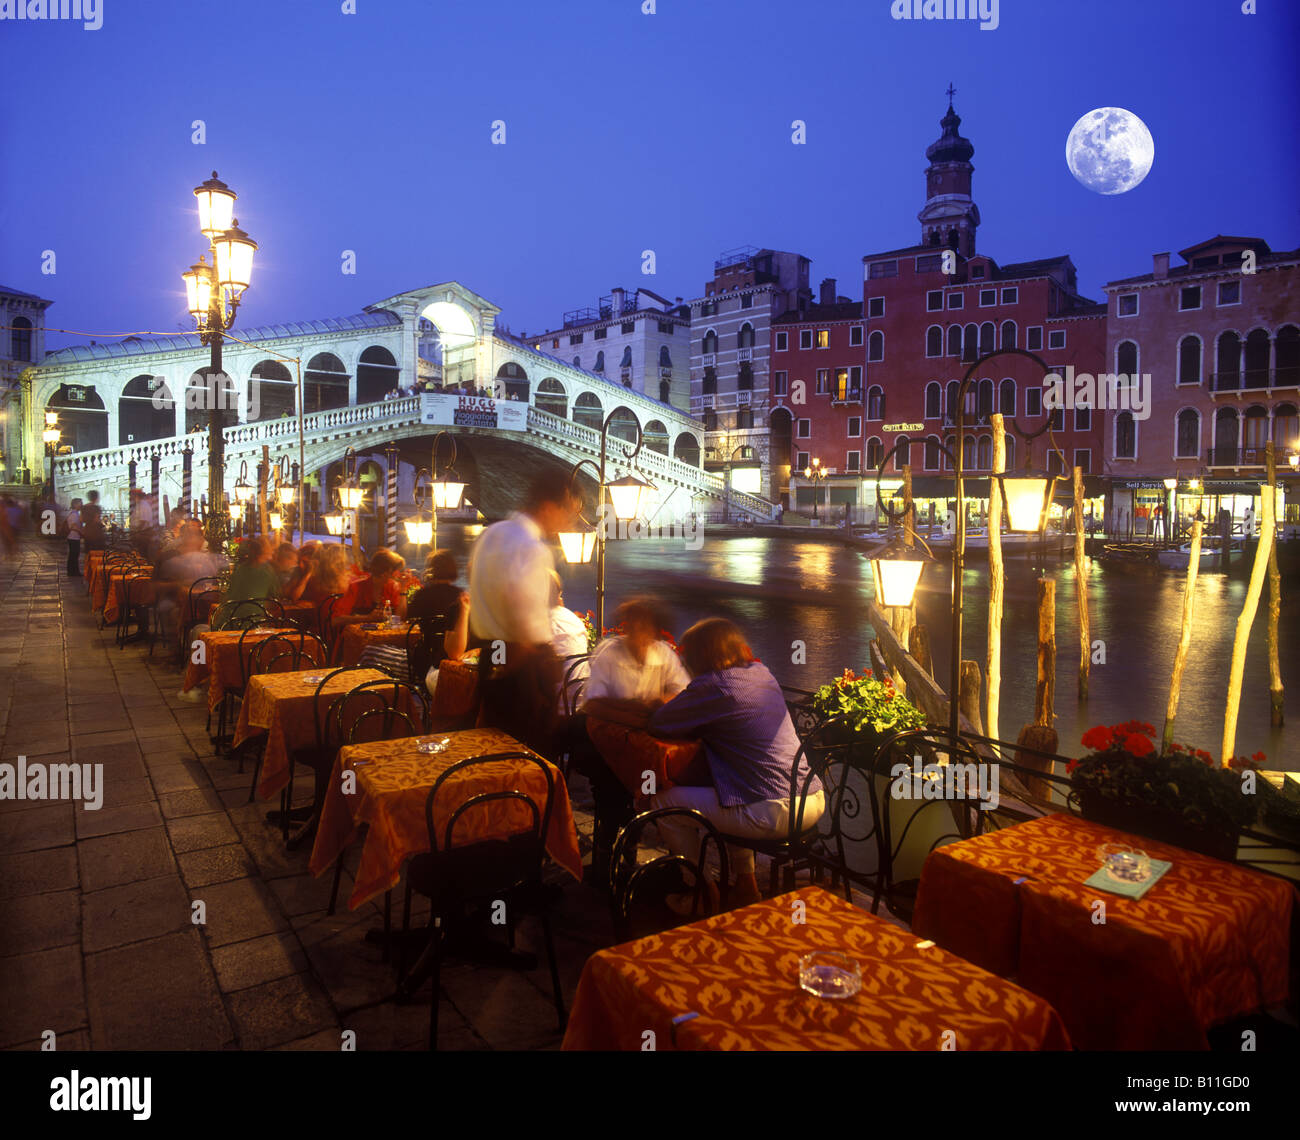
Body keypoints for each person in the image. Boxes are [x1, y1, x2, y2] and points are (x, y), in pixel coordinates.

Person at [647, 618, 825, 910]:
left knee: (663, 802)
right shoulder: (762, 673)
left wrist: (658, 703)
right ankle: (746, 886)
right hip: (812, 800)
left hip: (773, 812)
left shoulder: (714, 686)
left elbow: (659, 723)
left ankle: (700, 892)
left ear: (699, 657)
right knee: (732, 790)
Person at [467, 467, 580, 754]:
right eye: (568, 513)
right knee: (528, 759)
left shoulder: (491, 535)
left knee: (493, 750)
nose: (569, 523)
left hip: (489, 654)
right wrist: (540, 676)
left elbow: (474, 580)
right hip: (520, 667)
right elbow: (525, 622)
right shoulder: (531, 548)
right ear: (549, 505)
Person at [332, 548, 407, 629]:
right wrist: (367, 618)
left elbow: (400, 619)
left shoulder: (392, 588)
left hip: (383, 638)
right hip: (357, 638)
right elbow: (336, 620)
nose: (398, 575)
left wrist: (403, 590)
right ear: (384, 573)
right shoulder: (356, 587)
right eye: (396, 572)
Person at [220, 536, 279, 625]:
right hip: (255, 625)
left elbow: (227, 598)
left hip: (230, 624)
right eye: (271, 551)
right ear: (265, 552)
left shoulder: (239, 570)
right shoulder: (268, 571)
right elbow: (275, 600)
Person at [64, 498, 83, 577]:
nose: (81, 505)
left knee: (73, 555)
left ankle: (72, 571)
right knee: (74, 555)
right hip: (73, 537)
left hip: (73, 537)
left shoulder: (74, 513)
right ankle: (73, 572)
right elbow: (73, 526)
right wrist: (81, 532)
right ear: (75, 504)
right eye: (80, 503)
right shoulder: (74, 514)